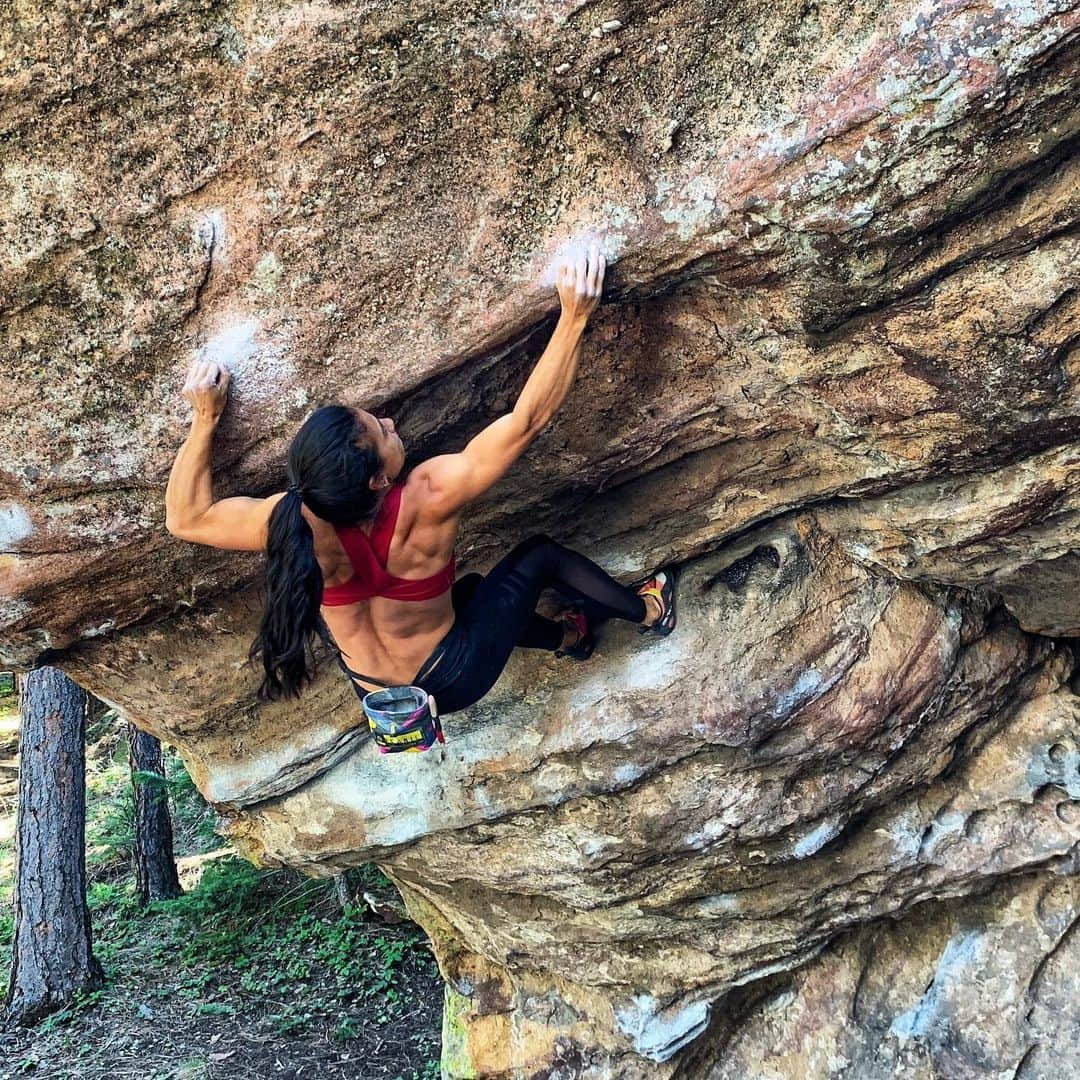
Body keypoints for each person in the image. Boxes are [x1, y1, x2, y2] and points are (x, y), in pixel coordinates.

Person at [164, 242, 676, 715]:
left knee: (476, 593)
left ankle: (572, 639)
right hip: (456, 675)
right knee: (540, 556)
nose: (389, 424)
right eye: (381, 433)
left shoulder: (285, 521)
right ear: (377, 483)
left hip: (384, 701)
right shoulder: (427, 496)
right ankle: (650, 612)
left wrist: (205, 418)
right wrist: (573, 317)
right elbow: (526, 422)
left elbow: (185, 518)